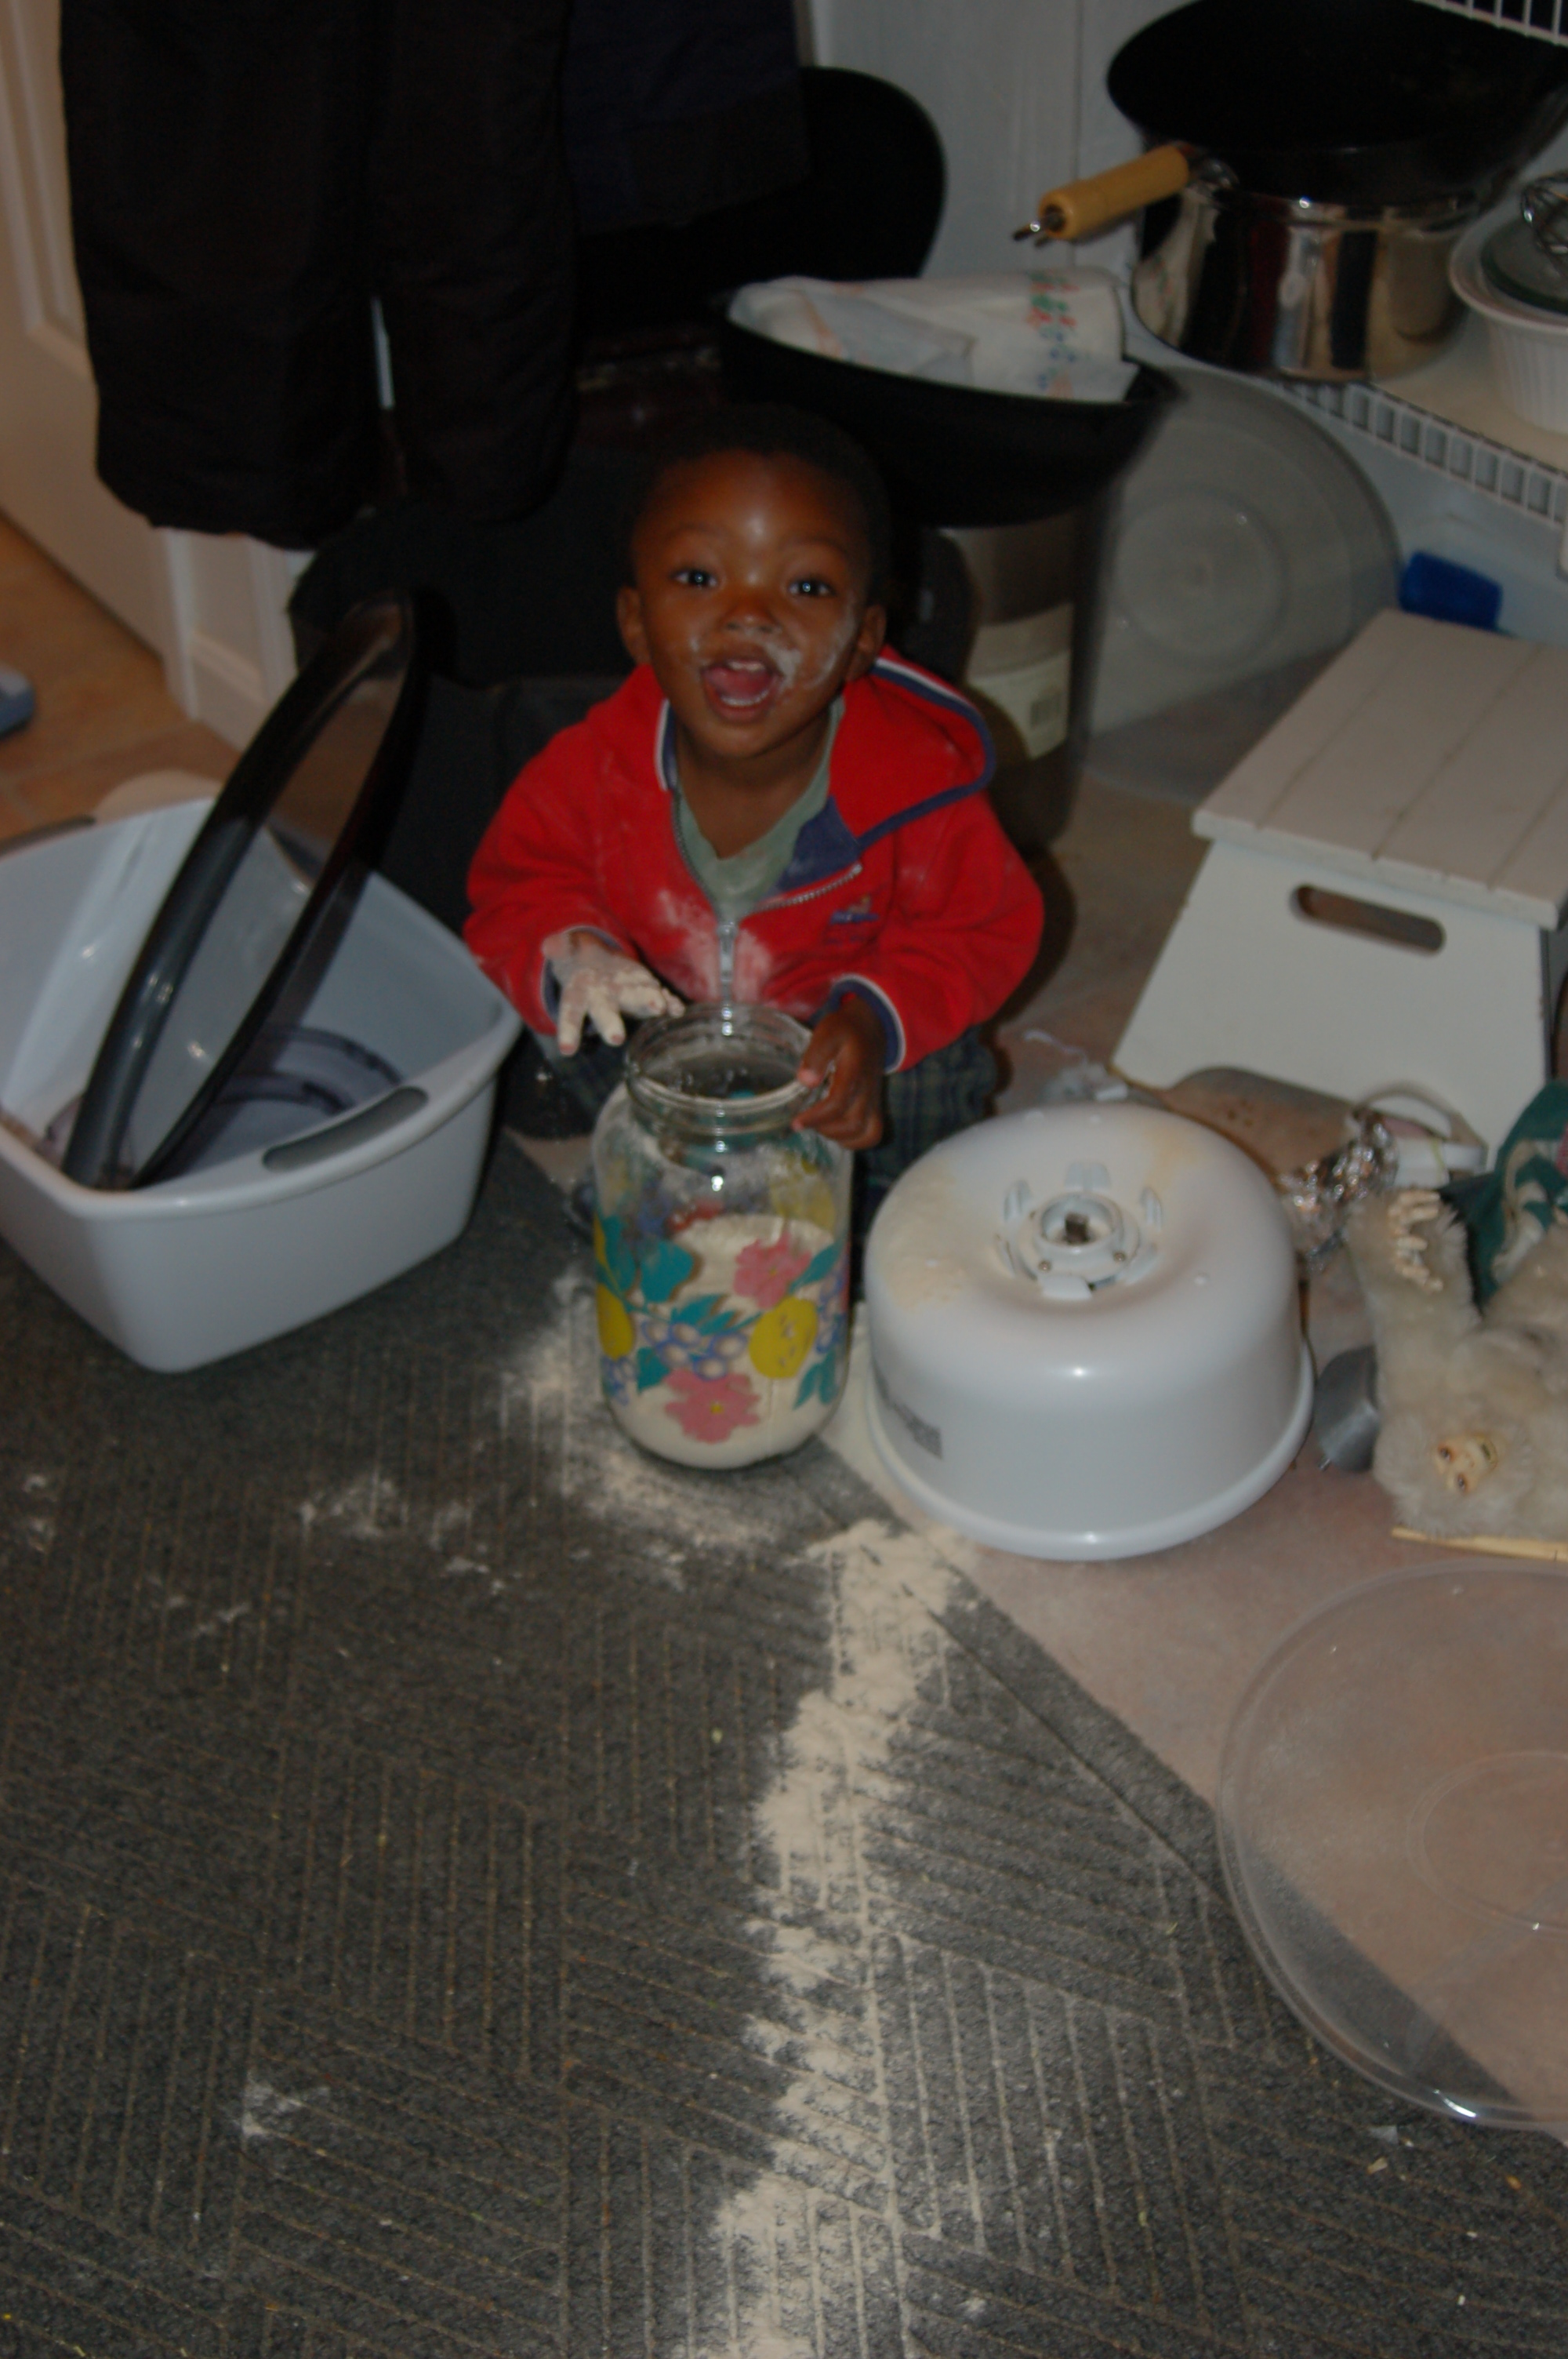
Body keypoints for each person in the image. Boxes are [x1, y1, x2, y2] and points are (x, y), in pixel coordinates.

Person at [464, 403, 1043, 1227]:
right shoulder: (586, 773)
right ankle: (674, 1173)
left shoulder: (920, 791)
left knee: (935, 1070)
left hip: (836, 1035)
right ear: (635, 622)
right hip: (673, 1017)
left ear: (862, 640)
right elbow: (517, 887)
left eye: (806, 586)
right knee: (570, 1016)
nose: (748, 613)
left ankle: (882, 1207)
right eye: (698, 578)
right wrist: (581, 951)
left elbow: (980, 929)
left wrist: (872, 1018)